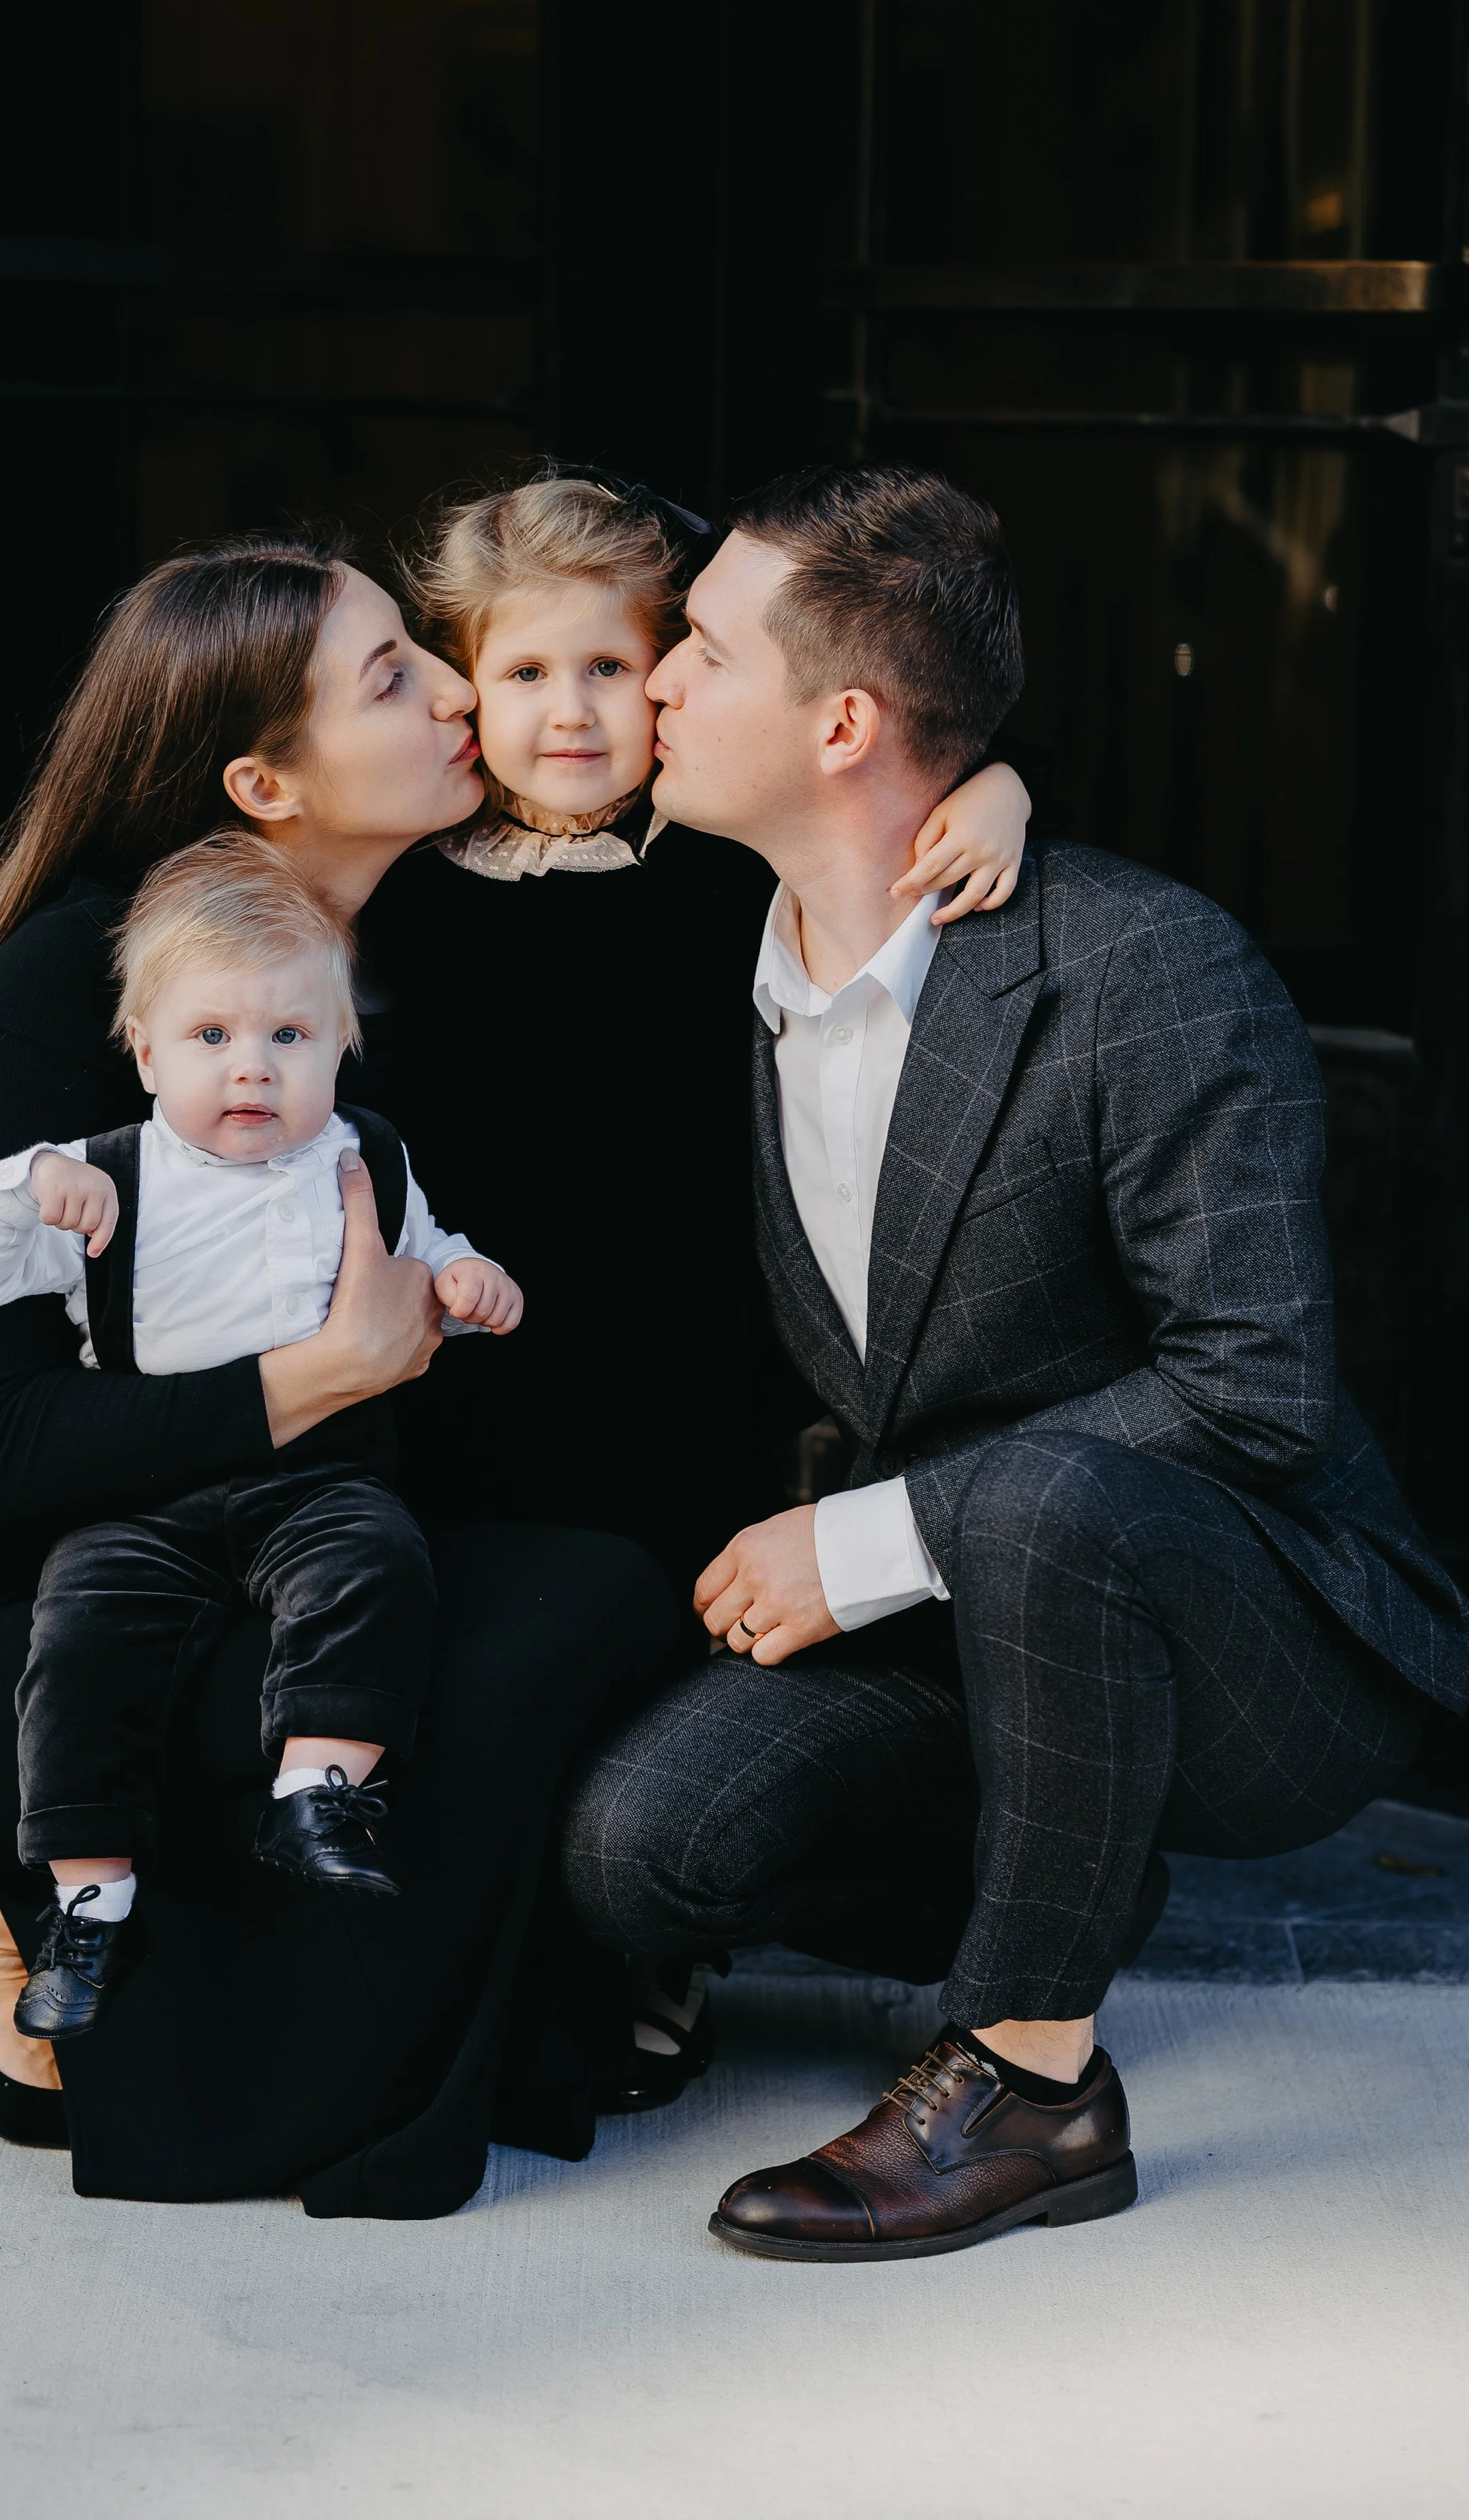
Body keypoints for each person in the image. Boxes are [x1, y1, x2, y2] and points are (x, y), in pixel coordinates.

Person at [562, 462, 1469, 2260]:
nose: (652, 679)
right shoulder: (691, 942)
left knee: (1045, 1490)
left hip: (1246, 1620)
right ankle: (1064, 1865)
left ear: (839, 720)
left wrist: (870, 1541)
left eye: (700, 651)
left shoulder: (1138, 966)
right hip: (980, 1633)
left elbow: (1252, 1390)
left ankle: (1030, 2082)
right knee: (638, 1851)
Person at [0, 531, 680, 2212]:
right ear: (268, 779)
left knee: (592, 1600)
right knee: (430, 1682)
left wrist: (990, 789)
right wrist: (325, 1371)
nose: (454, 691)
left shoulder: (399, 947)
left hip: (249, 1562)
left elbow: (720, 773)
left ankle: (422, 2018)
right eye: (392, 676)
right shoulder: (97, 978)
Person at [354, 466, 1033, 2095]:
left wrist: (999, 782)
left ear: (667, 674)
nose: (573, 709)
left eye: (609, 665)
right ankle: (493, 1943)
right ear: (462, 689)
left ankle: (650, 1936)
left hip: (679, 1350)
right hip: (473, 1351)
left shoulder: (722, 864)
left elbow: (883, 781)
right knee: (489, 1655)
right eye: (523, 672)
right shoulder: (408, 887)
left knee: (666, 1627)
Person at [0, 828, 521, 2039]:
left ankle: (319, 1788)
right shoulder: (109, 1171)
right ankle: (89, 1899)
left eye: (289, 1037)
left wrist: (467, 1284)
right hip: (146, 1498)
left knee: (377, 1566)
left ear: (344, 1047)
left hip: (317, 1478)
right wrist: (25, 1186)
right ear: (143, 1052)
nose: (252, 1068)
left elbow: (424, 1257)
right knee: (79, 1643)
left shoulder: (371, 1157)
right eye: (211, 1038)